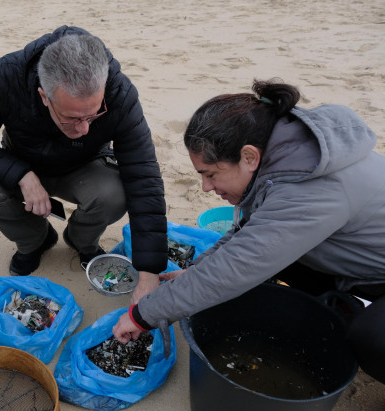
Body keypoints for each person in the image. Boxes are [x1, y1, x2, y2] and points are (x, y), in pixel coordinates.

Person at [114, 79, 385, 384]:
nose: (206, 187)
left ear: (249, 157)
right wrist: (195, 272)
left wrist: (142, 315)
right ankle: (338, 309)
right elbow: (249, 231)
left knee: (373, 340)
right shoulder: (283, 158)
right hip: (360, 262)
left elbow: (236, 266)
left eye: (212, 174)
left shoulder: (311, 188)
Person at [0, 25, 167, 303]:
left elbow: (144, 176)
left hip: (85, 166)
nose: (84, 129)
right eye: (71, 119)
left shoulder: (119, 92)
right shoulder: (8, 75)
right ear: (44, 96)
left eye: (93, 115)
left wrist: (149, 271)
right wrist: (21, 175)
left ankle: (81, 241)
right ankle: (35, 239)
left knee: (115, 193)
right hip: (21, 163)